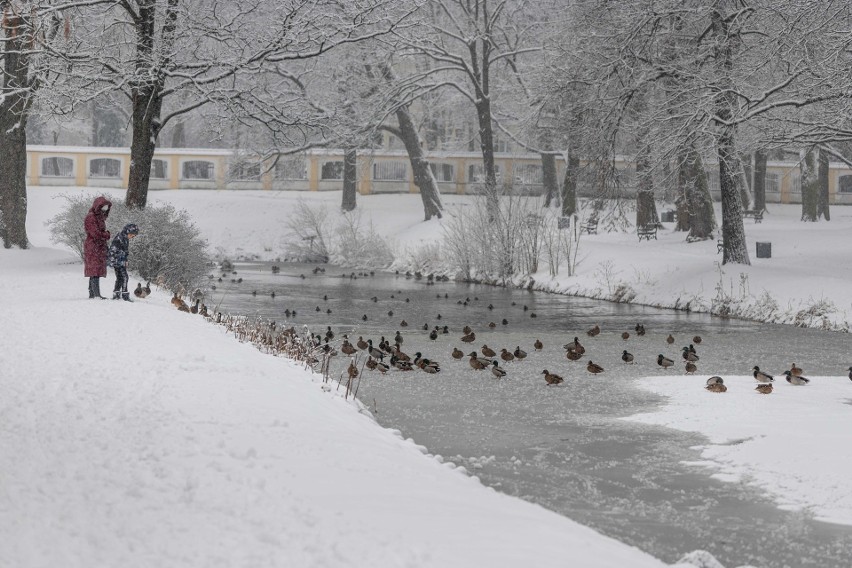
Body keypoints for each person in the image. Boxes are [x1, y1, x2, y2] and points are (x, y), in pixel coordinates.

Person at [84, 196, 112, 299]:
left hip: (98, 247)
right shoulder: (91, 217)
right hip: (93, 247)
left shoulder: (99, 217)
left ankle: (93, 293)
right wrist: (107, 235)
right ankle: (96, 294)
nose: (105, 208)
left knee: (95, 270)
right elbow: (95, 233)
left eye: (106, 207)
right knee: (94, 270)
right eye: (103, 206)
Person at [108, 223, 139, 301]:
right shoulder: (119, 238)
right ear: (128, 232)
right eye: (132, 235)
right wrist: (120, 259)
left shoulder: (124, 239)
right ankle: (124, 295)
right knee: (125, 277)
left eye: (134, 236)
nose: (133, 237)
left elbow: (125, 252)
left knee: (120, 278)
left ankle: (116, 294)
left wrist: (125, 260)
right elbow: (113, 250)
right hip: (117, 261)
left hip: (120, 261)